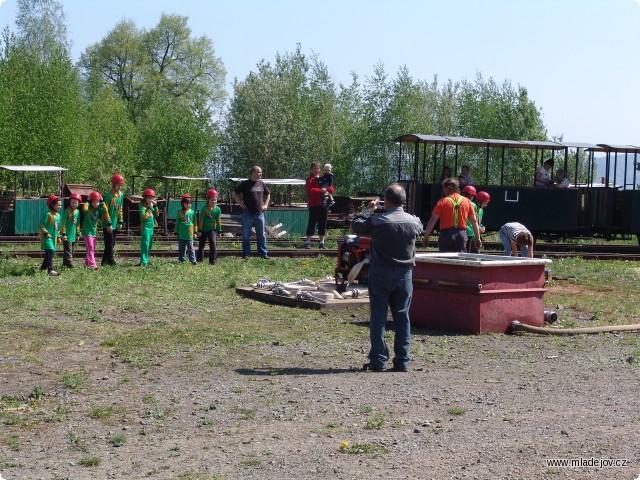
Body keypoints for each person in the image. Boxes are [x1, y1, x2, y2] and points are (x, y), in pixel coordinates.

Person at [351, 183, 423, 373]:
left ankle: (378, 359)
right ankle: (402, 360)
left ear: (387, 200)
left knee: (378, 318)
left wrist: (368, 210)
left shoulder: (379, 220)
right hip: (405, 274)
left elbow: (357, 227)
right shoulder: (414, 222)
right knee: (402, 318)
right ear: (403, 201)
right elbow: (419, 226)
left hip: (381, 272)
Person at [423, 177, 481, 253]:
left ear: (447, 188)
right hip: (461, 234)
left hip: (446, 235)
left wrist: (426, 236)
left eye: (444, 188)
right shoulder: (467, 201)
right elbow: (474, 221)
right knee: (460, 261)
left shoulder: (442, 201)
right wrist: (477, 238)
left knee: (446, 261)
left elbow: (433, 220)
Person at [232, 166, 271, 259]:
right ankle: (246, 254)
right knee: (246, 235)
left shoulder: (261, 183)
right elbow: (234, 193)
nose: (261, 174)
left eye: (261, 172)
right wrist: (241, 204)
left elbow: (268, 194)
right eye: (259, 172)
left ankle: (263, 254)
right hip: (248, 213)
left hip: (260, 213)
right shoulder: (245, 184)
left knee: (261, 235)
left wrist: (265, 204)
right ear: (253, 172)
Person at [304, 161, 335, 249]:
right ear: (312, 169)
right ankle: (308, 242)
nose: (317, 170)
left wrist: (326, 188)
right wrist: (321, 190)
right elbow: (310, 190)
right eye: (315, 169)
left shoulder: (324, 178)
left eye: (318, 168)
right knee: (312, 223)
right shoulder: (310, 180)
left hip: (324, 204)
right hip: (314, 204)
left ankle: (321, 242)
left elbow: (331, 188)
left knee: (323, 223)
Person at [82, 191, 110, 269]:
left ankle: (87, 264)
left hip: (93, 232)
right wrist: (87, 201)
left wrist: (102, 202)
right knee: (90, 247)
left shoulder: (98, 210)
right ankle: (92, 265)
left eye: (97, 202)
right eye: (94, 202)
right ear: (91, 202)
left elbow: (105, 210)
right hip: (87, 232)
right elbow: (84, 208)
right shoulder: (88, 210)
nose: (96, 204)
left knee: (92, 249)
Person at [102, 174, 125, 266]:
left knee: (112, 242)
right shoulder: (108, 196)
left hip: (115, 222)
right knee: (109, 242)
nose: (120, 187)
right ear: (114, 184)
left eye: (121, 185)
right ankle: (111, 261)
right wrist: (108, 223)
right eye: (118, 185)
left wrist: (120, 221)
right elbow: (105, 210)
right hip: (108, 223)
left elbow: (120, 208)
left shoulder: (121, 195)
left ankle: (104, 261)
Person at [197, 188, 222, 265]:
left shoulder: (218, 209)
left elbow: (218, 220)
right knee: (201, 244)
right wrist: (200, 230)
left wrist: (219, 230)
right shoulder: (204, 208)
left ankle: (213, 261)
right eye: (212, 200)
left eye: (215, 200)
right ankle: (199, 260)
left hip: (212, 229)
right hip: (203, 229)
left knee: (213, 243)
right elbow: (201, 220)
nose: (214, 202)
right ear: (208, 200)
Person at [39, 195, 62, 276]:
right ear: (52, 205)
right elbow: (42, 225)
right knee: (50, 252)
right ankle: (50, 270)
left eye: (60, 205)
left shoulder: (58, 216)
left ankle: (42, 268)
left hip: (54, 238)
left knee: (49, 253)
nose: (59, 207)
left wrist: (58, 237)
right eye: (58, 205)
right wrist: (46, 233)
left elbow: (57, 228)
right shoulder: (47, 214)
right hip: (47, 238)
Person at [59, 193, 82, 268]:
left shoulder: (78, 212)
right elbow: (63, 223)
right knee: (68, 250)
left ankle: (65, 264)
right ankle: (71, 264)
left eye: (76, 203)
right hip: (67, 235)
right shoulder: (66, 211)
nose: (74, 204)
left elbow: (78, 223)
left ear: (78, 203)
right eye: (73, 202)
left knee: (71, 250)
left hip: (73, 234)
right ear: (70, 202)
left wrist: (78, 233)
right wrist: (64, 233)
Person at [139, 189, 160, 266]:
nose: (151, 200)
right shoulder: (142, 207)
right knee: (145, 245)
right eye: (149, 198)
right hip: (145, 228)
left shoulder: (150, 206)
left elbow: (157, 215)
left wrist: (155, 206)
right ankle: (143, 261)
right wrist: (150, 208)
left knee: (149, 244)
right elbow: (143, 217)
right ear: (145, 198)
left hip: (151, 229)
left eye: (152, 198)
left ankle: (146, 260)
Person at [176, 193, 197, 265]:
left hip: (190, 234)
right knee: (181, 248)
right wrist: (176, 231)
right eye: (186, 203)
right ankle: (181, 259)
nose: (188, 205)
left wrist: (195, 232)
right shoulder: (180, 213)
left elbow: (195, 223)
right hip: (181, 234)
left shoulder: (193, 212)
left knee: (191, 248)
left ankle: (193, 260)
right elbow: (177, 223)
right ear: (183, 204)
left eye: (190, 203)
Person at [461, 185, 479, 253]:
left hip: (461, 230)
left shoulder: (459, 202)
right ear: (471, 196)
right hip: (470, 231)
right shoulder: (473, 205)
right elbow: (475, 220)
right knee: (467, 251)